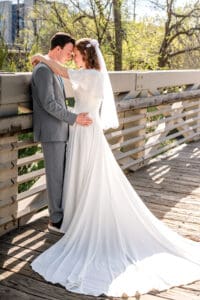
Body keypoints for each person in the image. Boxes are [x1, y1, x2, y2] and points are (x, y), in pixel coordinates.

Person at [31, 38, 200, 297]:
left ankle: (82, 218)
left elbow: (63, 72)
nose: (73, 57)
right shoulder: (93, 74)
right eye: (71, 53)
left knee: (87, 174)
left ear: (85, 56)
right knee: (87, 175)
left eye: (75, 54)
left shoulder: (88, 74)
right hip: (85, 129)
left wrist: (41, 58)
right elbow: (64, 75)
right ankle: (77, 215)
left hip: (84, 130)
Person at [31, 32, 92, 232]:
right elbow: (49, 103)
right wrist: (74, 118)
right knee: (55, 176)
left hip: (61, 130)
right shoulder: (43, 70)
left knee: (63, 176)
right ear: (57, 49)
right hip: (51, 132)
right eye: (68, 52)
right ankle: (55, 219)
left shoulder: (52, 69)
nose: (70, 56)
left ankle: (62, 215)